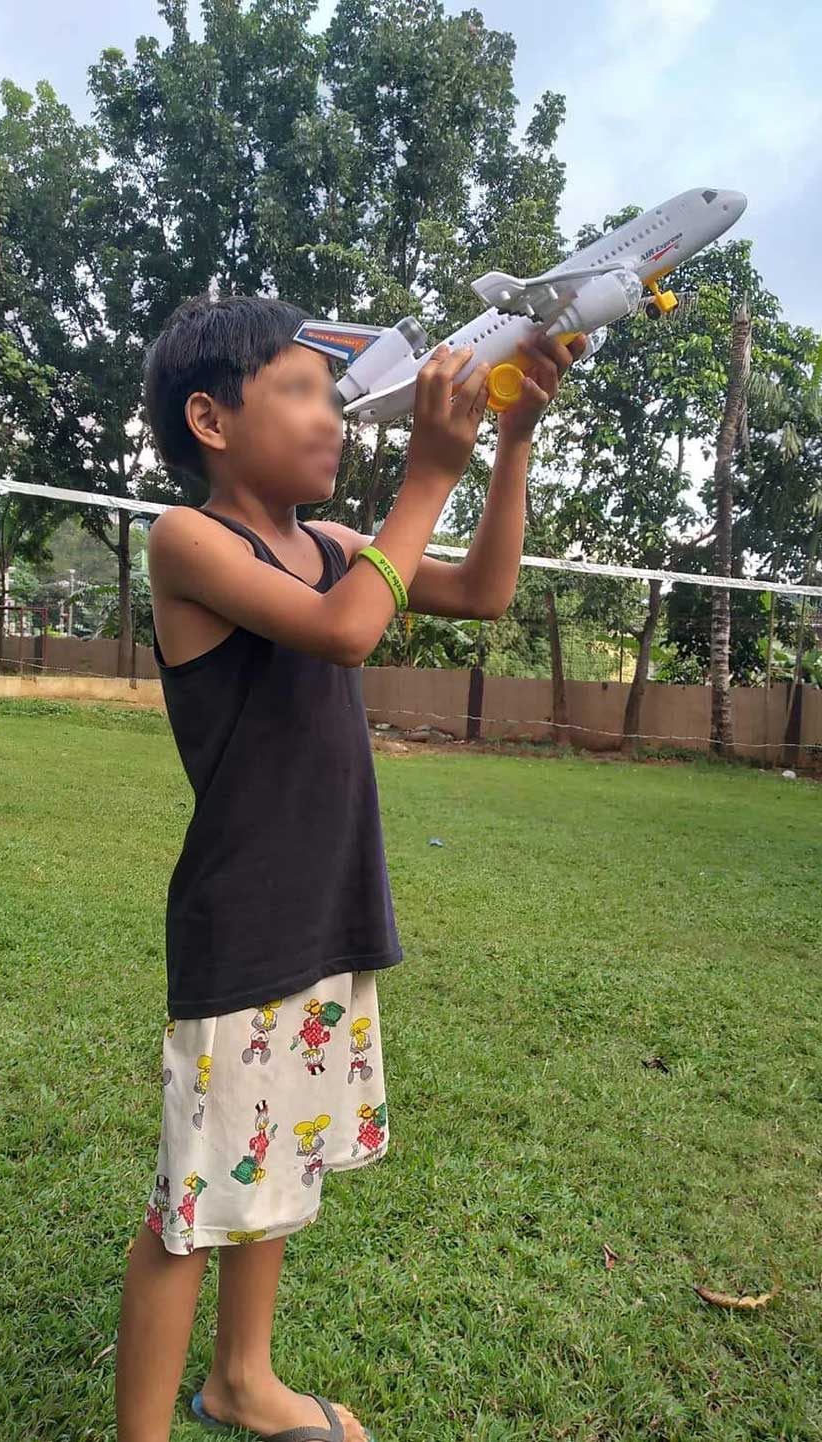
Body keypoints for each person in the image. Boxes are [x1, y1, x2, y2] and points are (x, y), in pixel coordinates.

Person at [115, 292, 585, 1442]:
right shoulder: (191, 540)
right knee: (191, 1207)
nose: (336, 417)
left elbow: (481, 591)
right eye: (304, 390)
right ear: (210, 420)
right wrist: (428, 470)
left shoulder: (330, 545)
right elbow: (342, 630)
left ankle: (243, 1379)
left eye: (335, 395)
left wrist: (510, 436)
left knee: (269, 1165)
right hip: (243, 915)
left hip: (327, 902)